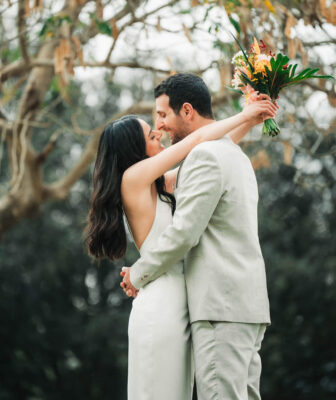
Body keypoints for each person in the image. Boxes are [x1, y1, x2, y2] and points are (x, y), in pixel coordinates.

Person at [86, 74, 277, 400]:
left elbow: (214, 148)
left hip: (181, 301)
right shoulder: (134, 178)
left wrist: (250, 118)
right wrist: (245, 114)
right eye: (151, 134)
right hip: (161, 301)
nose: (159, 131)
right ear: (135, 148)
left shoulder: (159, 183)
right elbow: (198, 140)